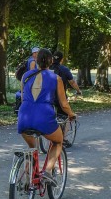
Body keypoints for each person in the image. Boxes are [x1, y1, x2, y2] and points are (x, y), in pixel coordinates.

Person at [17, 48, 76, 186]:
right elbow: (63, 103)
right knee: (58, 141)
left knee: (32, 148)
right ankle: (48, 172)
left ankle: (26, 177)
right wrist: (71, 114)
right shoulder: (56, 78)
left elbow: (23, 95)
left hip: (24, 116)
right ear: (51, 61)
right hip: (43, 116)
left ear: (36, 60)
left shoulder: (26, 75)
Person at [49, 51, 82, 117]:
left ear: (52, 58)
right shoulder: (64, 69)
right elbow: (72, 82)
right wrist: (78, 91)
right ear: (62, 59)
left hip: (49, 98)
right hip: (60, 98)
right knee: (65, 118)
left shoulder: (47, 68)